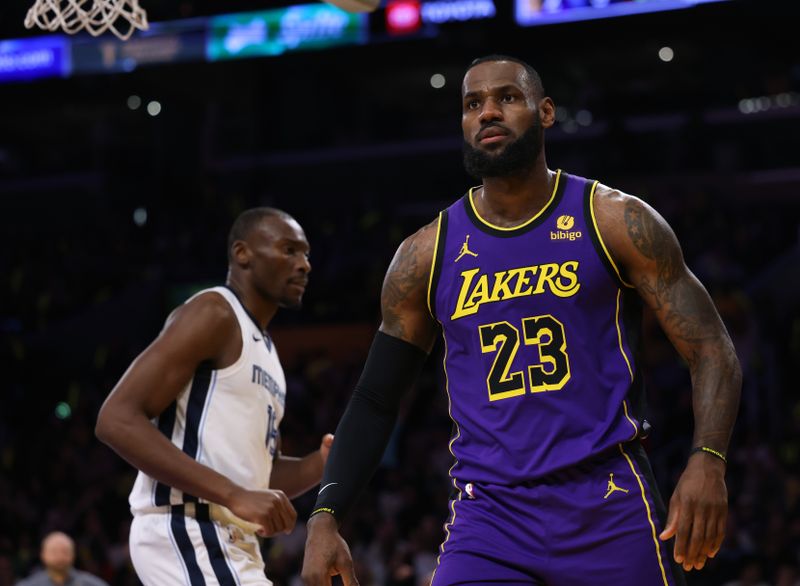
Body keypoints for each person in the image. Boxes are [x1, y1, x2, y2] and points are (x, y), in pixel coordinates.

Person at [301, 55, 741, 586]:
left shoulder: (614, 220)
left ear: (546, 111)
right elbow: (375, 398)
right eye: (472, 104)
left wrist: (708, 459)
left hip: (608, 502)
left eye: (506, 97)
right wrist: (326, 517)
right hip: (490, 519)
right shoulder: (425, 256)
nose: (488, 112)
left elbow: (711, 347)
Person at [96, 207, 333, 585]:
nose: (304, 264)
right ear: (243, 254)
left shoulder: (269, 355)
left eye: (306, 254)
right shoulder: (215, 312)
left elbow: (258, 476)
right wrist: (234, 495)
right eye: (289, 250)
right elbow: (116, 420)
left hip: (232, 544)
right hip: (188, 529)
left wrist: (319, 464)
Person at [16, 531, 108, 586]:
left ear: (73, 555)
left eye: (64, 551)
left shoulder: (90, 584)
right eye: (54, 552)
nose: (60, 556)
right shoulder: (29, 584)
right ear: (43, 555)